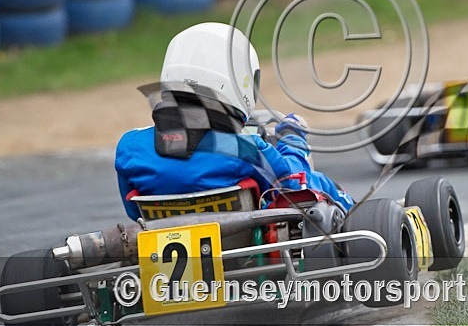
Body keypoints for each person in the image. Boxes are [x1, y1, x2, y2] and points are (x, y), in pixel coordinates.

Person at [115, 22, 353, 222]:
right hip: (247, 260)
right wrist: (293, 138)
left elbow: (134, 212)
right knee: (321, 185)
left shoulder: (130, 147)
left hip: (160, 259)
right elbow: (296, 184)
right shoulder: (245, 149)